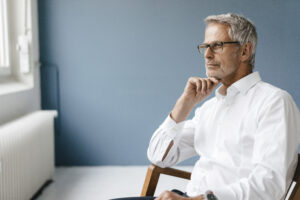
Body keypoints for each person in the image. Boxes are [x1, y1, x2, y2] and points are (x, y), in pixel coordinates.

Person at [114, 13, 300, 200]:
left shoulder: (274, 102)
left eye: (217, 46)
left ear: (245, 51)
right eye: (205, 46)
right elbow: (158, 156)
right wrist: (184, 104)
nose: (208, 54)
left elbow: (269, 186)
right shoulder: (210, 108)